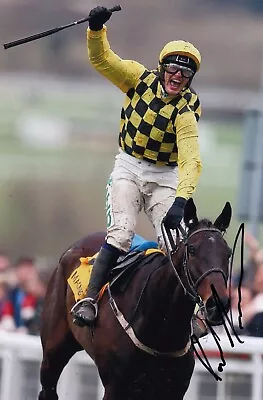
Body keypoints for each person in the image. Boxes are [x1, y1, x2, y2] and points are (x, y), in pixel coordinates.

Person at [72, 6, 202, 327]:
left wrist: (182, 199)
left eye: (185, 75)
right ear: (162, 68)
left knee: (176, 243)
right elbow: (102, 60)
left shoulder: (187, 109)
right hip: (128, 167)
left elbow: (190, 159)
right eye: (173, 69)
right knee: (123, 232)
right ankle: (88, 298)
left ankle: (194, 314)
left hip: (165, 175)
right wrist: (97, 30)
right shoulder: (136, 78)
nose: (177, 78)